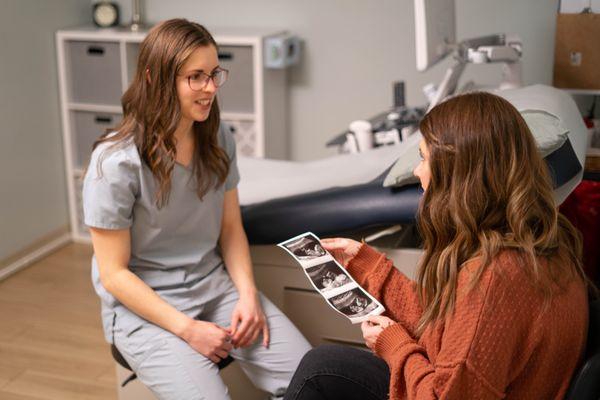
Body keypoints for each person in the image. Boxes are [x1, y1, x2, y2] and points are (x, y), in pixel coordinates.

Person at [283, 92, 592, 400]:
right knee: (328, 364)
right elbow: (457, 331)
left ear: (458, 176)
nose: (417, 172)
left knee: (319, 371)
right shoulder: (544, 241)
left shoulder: (492, 278)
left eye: (423, 158)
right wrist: (370, 266)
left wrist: (395, 345)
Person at [83, 19, 310, 400]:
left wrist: (248, 295)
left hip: (213, 288)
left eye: (214, 74)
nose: (210, 88)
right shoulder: (115, 163)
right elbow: (114, 275)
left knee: (311, 379)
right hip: (145, 310)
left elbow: (231, 229)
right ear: (156, 79)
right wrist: (187, 329)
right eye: (196, 77)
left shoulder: (217, 138)